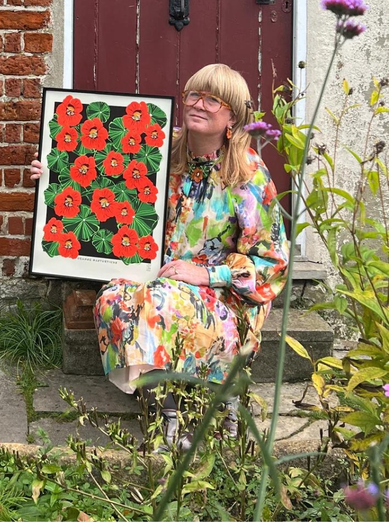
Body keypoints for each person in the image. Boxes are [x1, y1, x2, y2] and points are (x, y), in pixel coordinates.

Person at [30, 64, 289, 445]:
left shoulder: (247, 175)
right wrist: (55, 172)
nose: (198, 104)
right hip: (156, 277)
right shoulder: (160, 146)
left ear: (232, 115)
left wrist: (207, 275)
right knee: (114, 297)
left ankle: (198, 404)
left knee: (152, 302)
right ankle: (164, 403)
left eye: (212, 99)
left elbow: (273, 264)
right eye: (194, 95)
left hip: (222, 294)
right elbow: (103, 178)